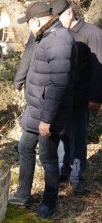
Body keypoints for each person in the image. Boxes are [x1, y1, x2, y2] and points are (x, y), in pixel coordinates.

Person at [8, 1, 75, 218]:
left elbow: (58, 84)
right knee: (24, 148)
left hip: (48, 114)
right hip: (34, 111)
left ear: (36, 20)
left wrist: (47, 120)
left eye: (28, 23)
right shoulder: (45, 37)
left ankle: (49, 202)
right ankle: (23, 193)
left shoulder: (59, 41)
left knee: (48, 158)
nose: (28, 27)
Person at [51, 0, 102, 194]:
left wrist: (96, 98)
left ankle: (77, 176)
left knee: (78, 138)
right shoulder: (59, 34)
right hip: (62, 97)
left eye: (59, 17)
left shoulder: (93, 33)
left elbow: (99, 70)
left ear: (70, 14)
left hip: (82, 99)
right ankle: (64, 170)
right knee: (62, 134)